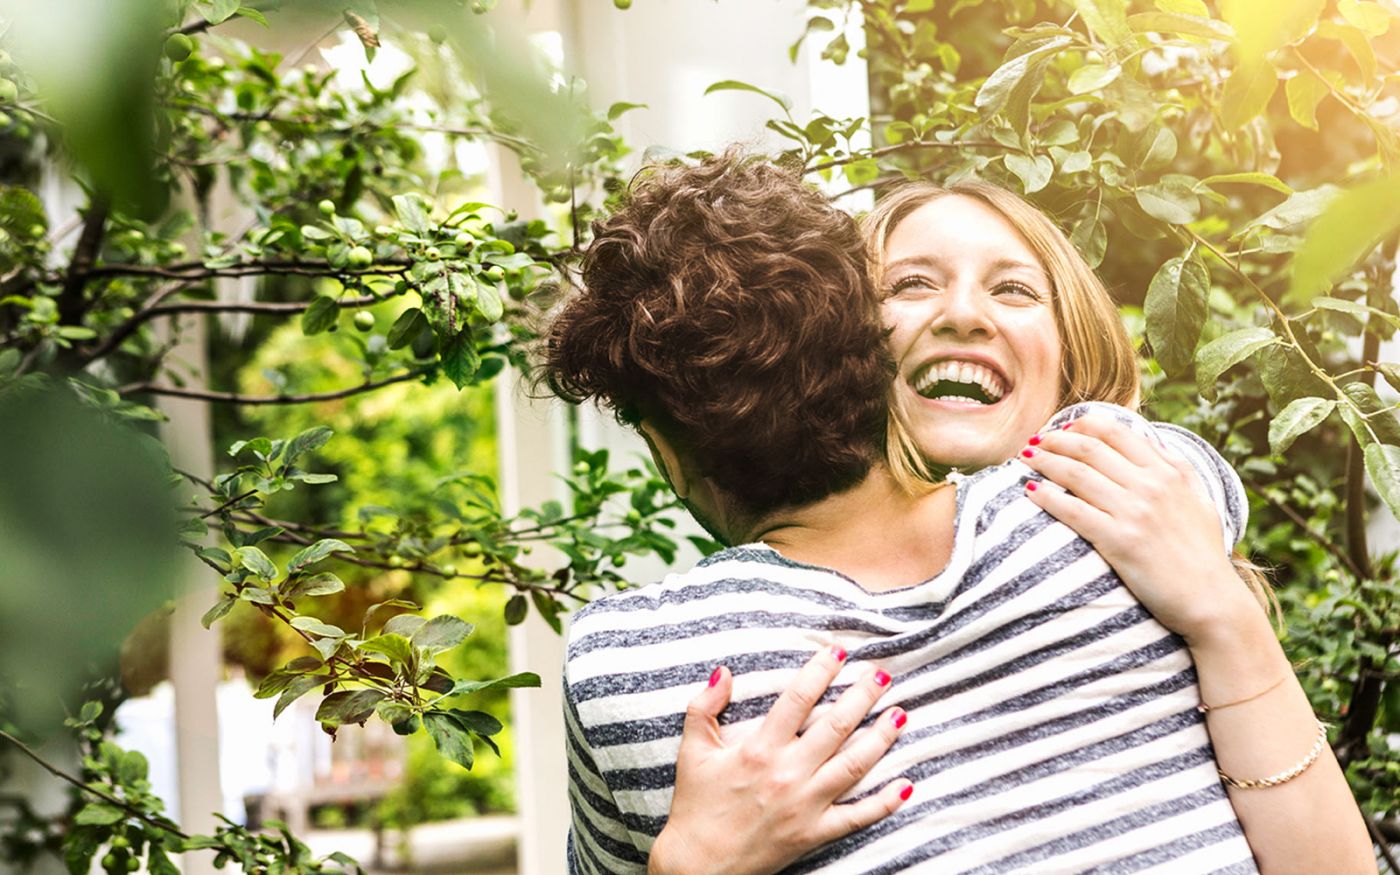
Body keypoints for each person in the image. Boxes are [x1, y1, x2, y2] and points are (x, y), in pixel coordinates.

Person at [542, 154, 1371, 873]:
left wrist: (1230, 620)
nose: (965, 313)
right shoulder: (678, 668)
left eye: (1014, 289)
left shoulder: (1143, 492)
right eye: (910, 284)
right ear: (841, 340)